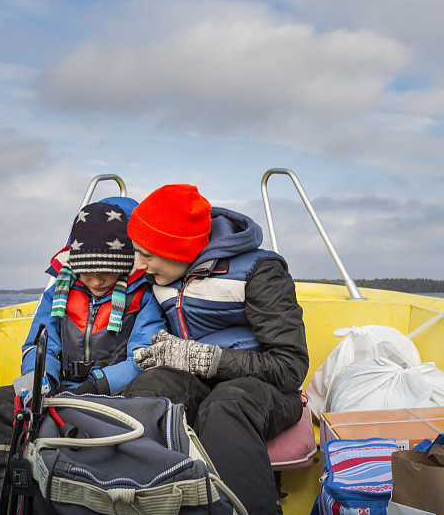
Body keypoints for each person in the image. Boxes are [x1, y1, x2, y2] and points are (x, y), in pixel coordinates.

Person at [122, 184, 309, 514]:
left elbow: (289, 367)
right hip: (198, 383)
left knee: (225, 407)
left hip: (264, 389)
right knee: (147, 396)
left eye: (147, 255)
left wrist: (201, 358)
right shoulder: (162, 277)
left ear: (181, 251)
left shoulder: (260, 271)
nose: (139, 265)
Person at [0, 200, 165, 481]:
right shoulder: (58, 292)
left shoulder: (143, 297)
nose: (96, 281)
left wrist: (95, 384)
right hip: (57, 391)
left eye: (105, 272)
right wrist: (40, 382)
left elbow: (142, 358)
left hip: (114, 396)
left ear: (124, 264)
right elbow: (38, 342)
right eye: (86, 272)